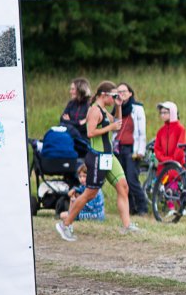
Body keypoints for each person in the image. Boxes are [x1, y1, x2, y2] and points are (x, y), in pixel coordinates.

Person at [55, 81, 139, 241]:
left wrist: (119, 106)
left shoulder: (103, 109)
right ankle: (65, 225)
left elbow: (117, 122)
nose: (115, 98)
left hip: (108, 156)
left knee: (123, 187)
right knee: (90, 193)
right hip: (97, 157)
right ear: (104, 95)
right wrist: (110, 128)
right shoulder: (94, 110)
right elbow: (91, 132)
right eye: (114, 95)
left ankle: (127, 226)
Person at [113, 82, 149, 216]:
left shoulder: (137, 108)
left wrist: (140, 151)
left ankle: (142, 207)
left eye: (124, 91)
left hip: (132, 149)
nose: (121, 94)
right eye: (119, 91)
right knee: (122, 181)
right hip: (118, 148)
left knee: (132, 180)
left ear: (130, 93)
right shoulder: (117, 109)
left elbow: (141, 131)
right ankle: (130, 207)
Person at [61, 77, 92, 156]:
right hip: (70, 139)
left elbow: (85, 127)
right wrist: (78, 123)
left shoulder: (90, 105)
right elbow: (62, 120)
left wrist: (69, 121)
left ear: (80, 90)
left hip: (84, 143)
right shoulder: (71, 103)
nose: (70, 92)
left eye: (73, 89)